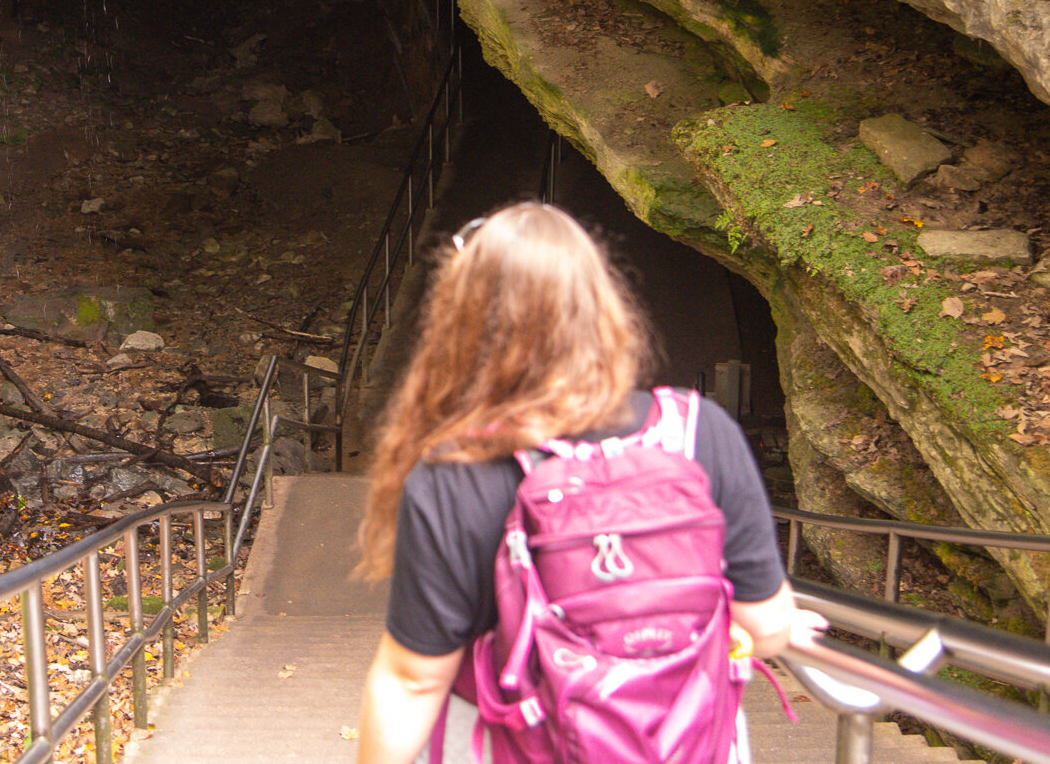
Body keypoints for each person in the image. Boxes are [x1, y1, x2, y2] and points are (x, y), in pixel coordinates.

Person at [352, 202, 822, 764]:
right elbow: (766, 629)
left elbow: (414, 681)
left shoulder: (456, 473)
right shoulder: (701, 433)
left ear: (463, 323)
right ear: (601, 309)